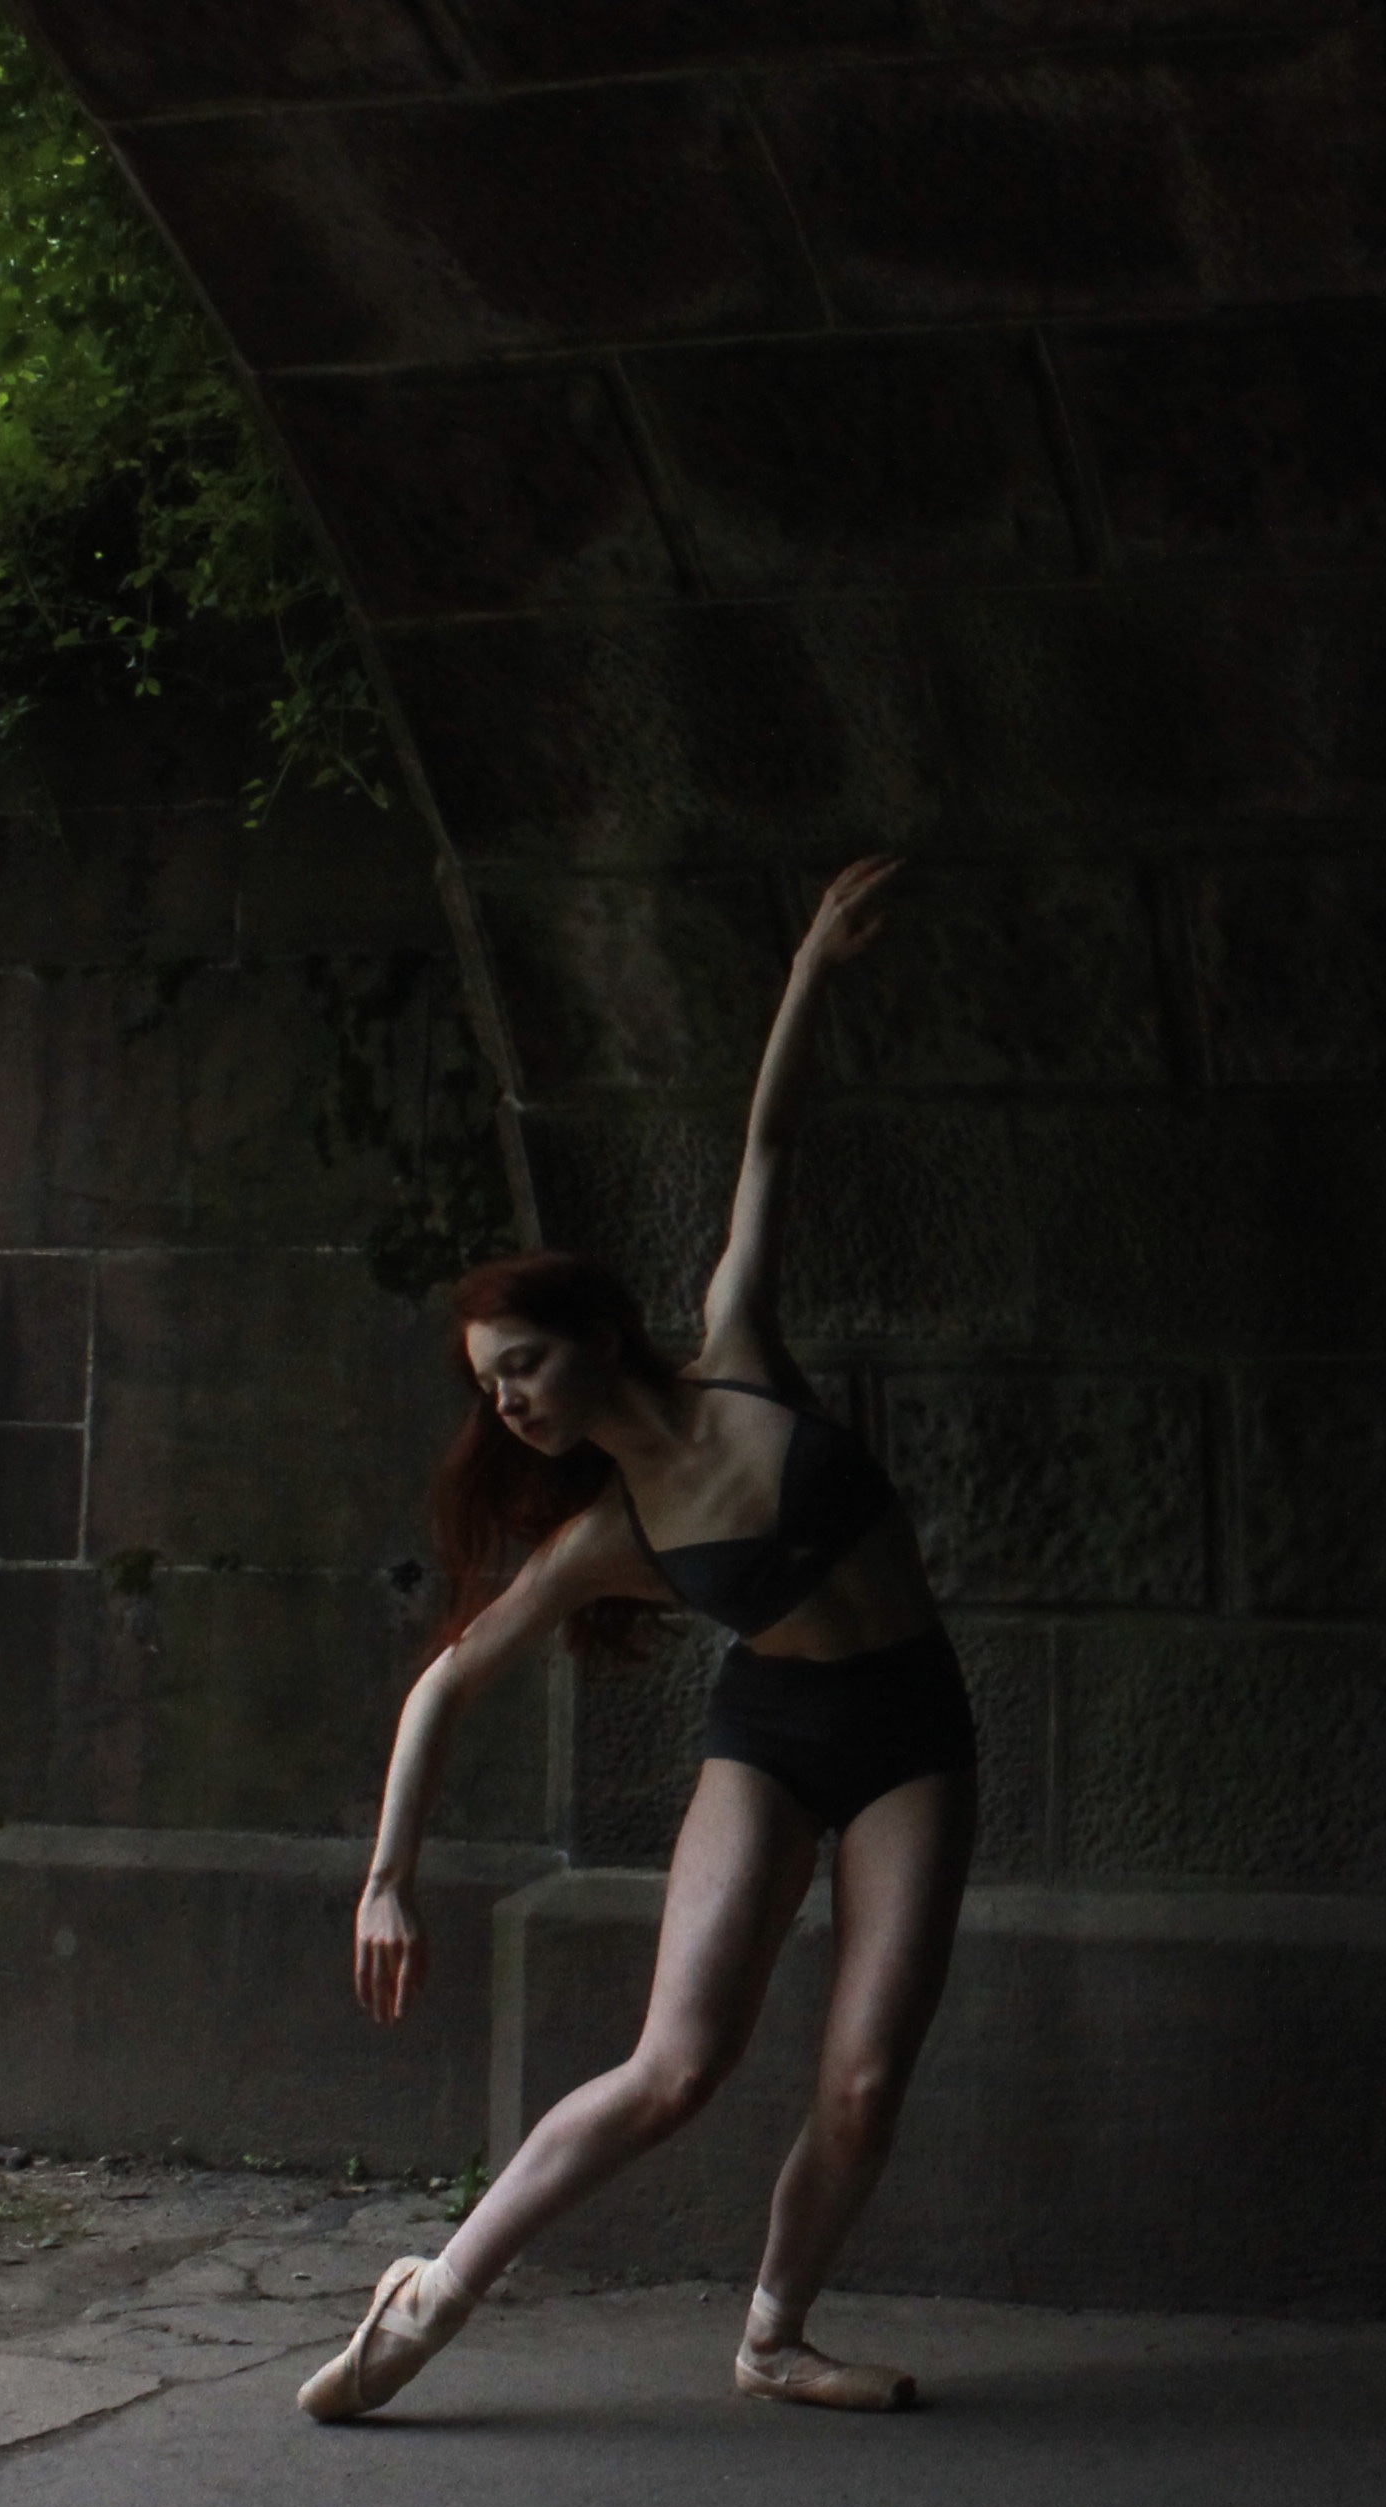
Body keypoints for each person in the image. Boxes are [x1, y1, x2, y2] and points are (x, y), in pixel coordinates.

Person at [299, 856, 975, 2423]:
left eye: (521, 1363)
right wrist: (389, 1874)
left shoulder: (739, 1356)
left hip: (912, 1731)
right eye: (489, 1387)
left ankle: (772, 2336)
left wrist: (809, 960)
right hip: (773, 1737)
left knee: (867, 2079)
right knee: (677, 2068)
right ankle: (429, 2303)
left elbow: (767, 1143)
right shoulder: (604, 1538)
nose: (510, 1400)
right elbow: (447, 1678)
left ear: (598, 1335)